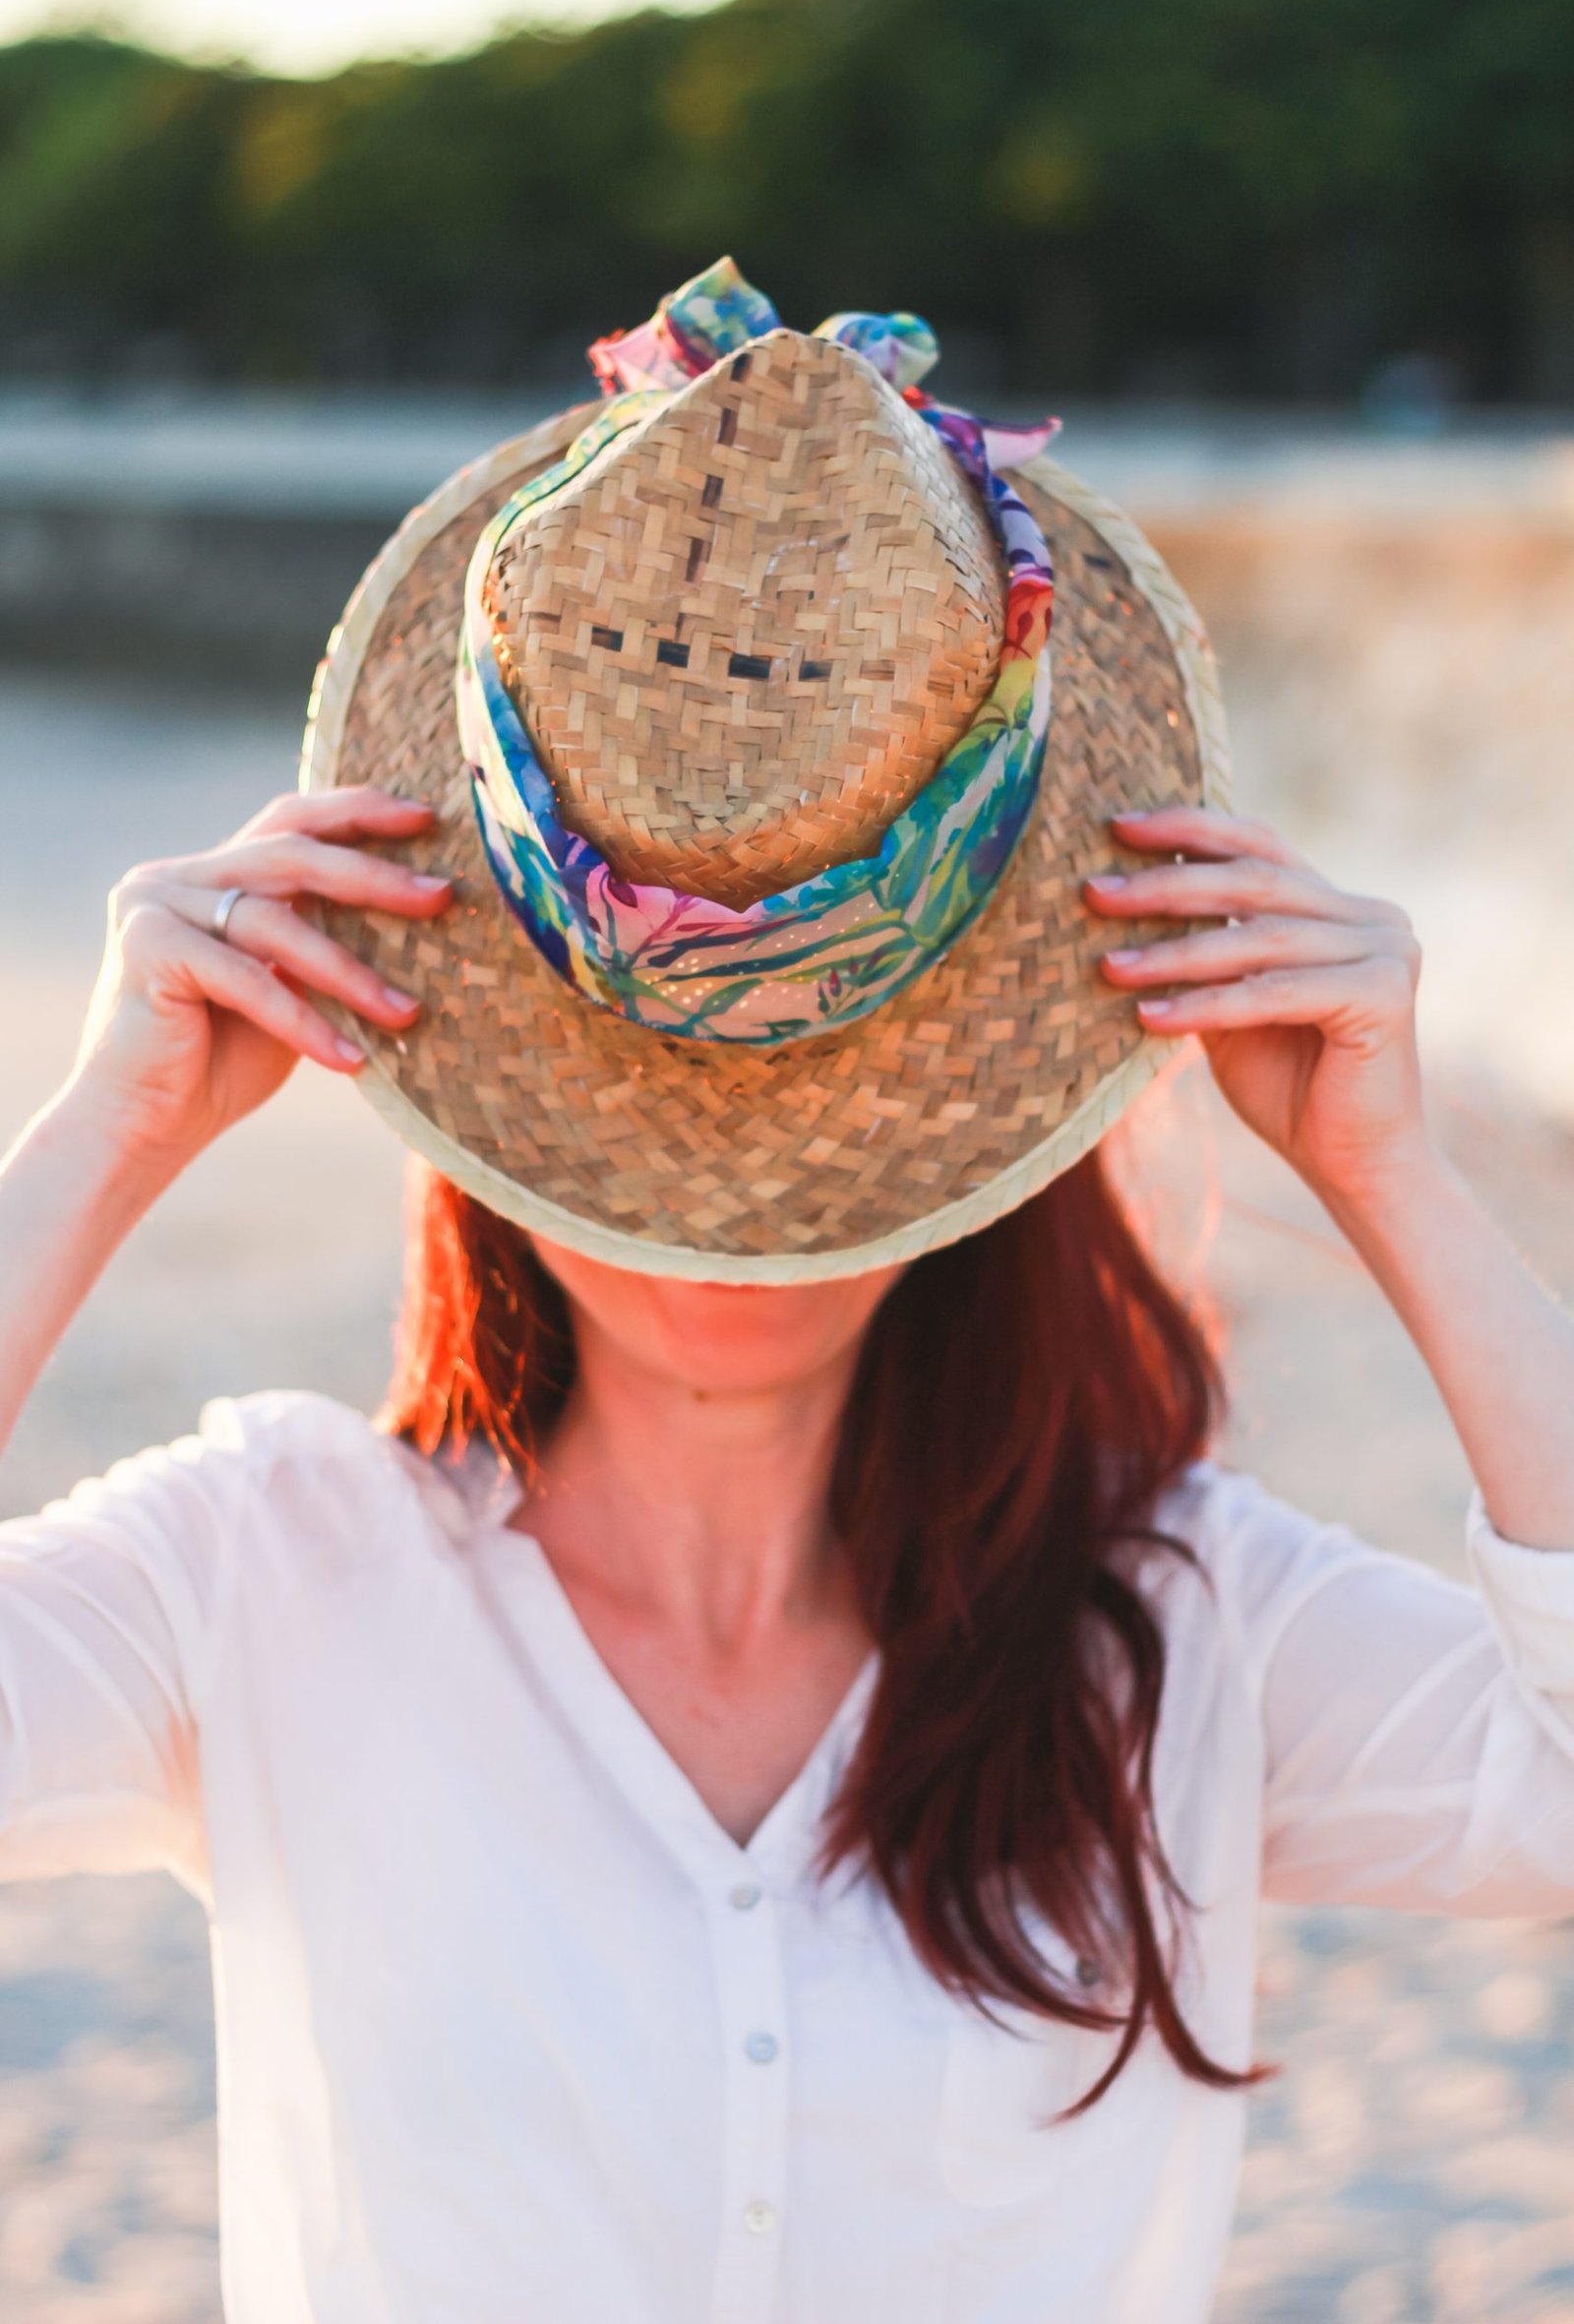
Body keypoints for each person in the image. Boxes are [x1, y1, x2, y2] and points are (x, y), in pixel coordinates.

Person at [2, 262, 1572, 2324]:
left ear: (989, 1146)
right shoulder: (261, 1572)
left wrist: (1400, 1180)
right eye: (646, 1117)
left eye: (801, 1104)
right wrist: (102, 1126)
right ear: (477, 1114)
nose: (723, 1222)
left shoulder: (1180, 1625)